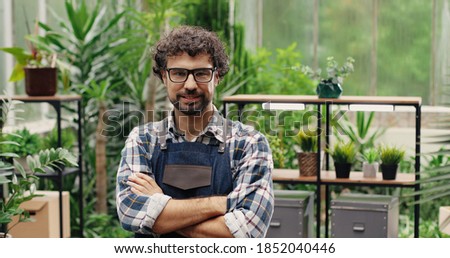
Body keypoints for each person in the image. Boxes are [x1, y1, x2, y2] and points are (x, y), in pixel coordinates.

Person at [116, 25, 274, 238]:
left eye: (201, 73)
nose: (190, 85)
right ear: (164, 77)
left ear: (216, 77)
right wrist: (222, 204)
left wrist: (161, 212)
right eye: (179, 73)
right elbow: (130, 213)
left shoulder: (249, 143)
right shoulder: (143, 140)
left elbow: (246, 233)